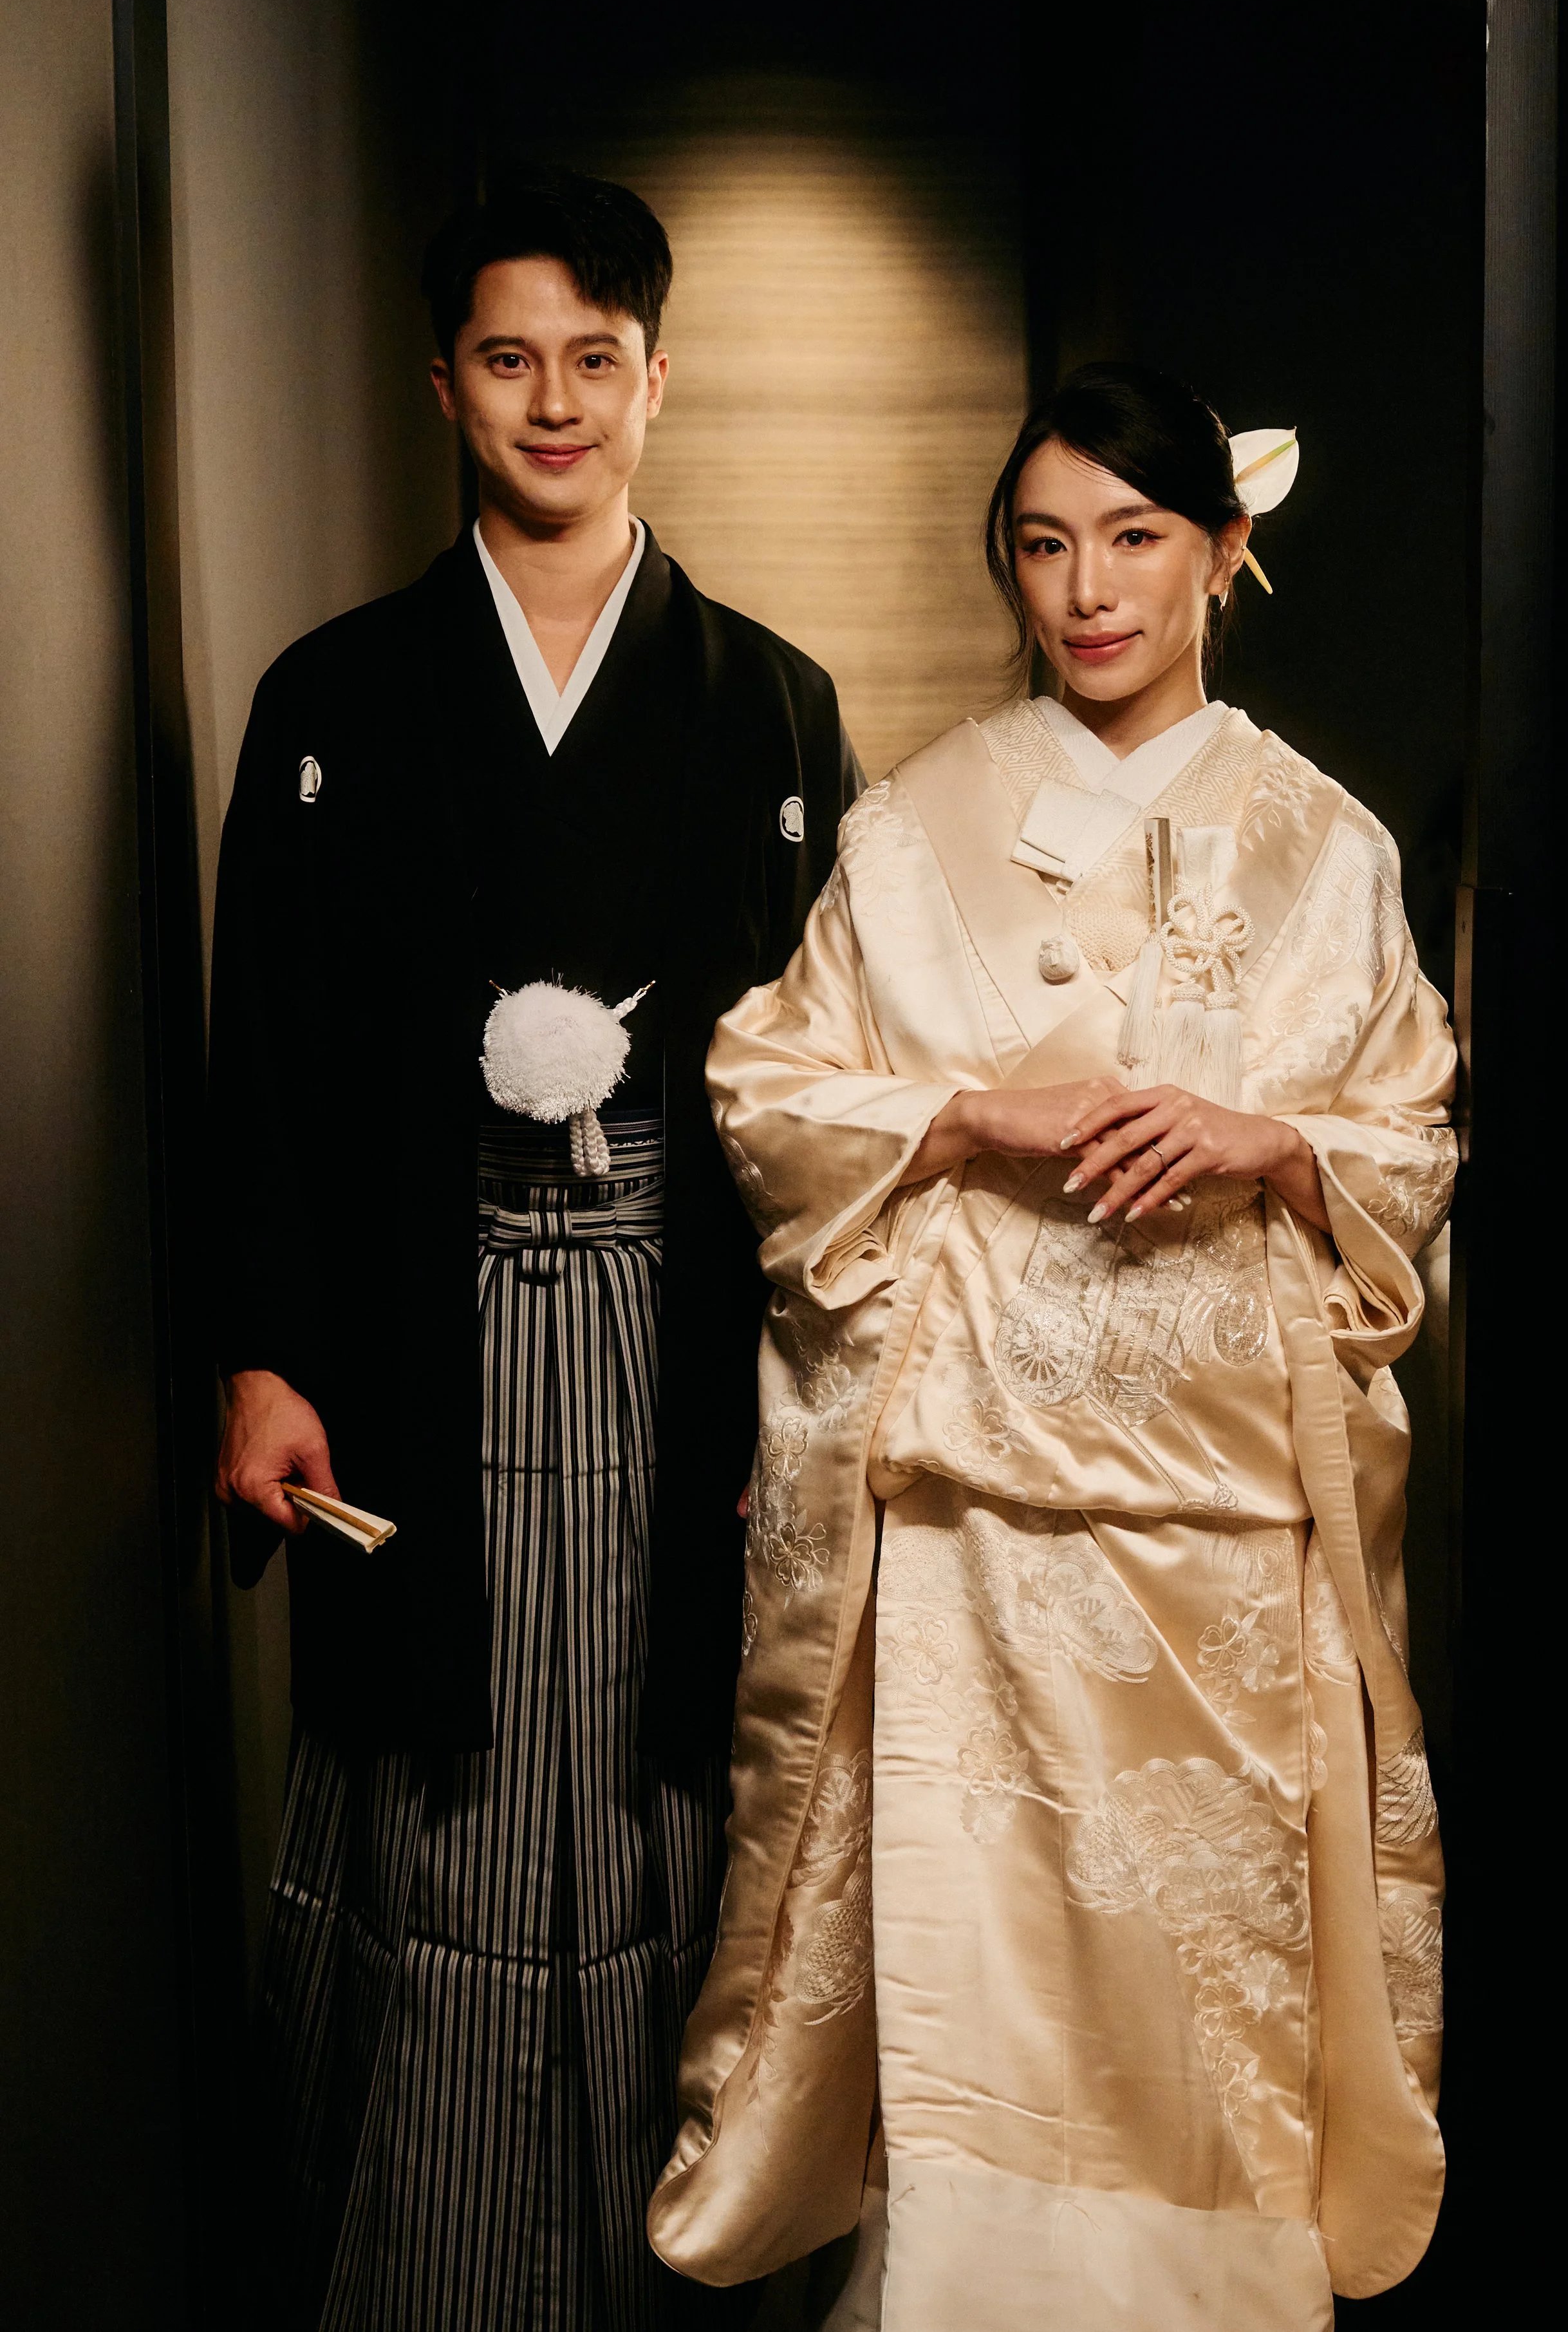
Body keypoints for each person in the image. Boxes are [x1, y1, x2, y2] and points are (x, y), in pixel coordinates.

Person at [648, 364, 1454, 2329]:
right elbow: (764, 1080)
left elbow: (1411, 1131)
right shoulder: (920, 817)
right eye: (1041, 544)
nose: (1086, 587)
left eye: (1133, 538)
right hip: (976, 1523)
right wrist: (959, 1113)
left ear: (1221, 555)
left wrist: (1275, 1144)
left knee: (1207, 1987)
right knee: (979, 1978)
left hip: (1218, 1515)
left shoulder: (1321, 846)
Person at [209, 167, 859, 2331]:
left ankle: (666, 2268)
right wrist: (267, 1354)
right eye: (510, 358)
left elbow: (820, 1091)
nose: (553, 400)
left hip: (677, 1339)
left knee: (662, 1780)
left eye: (596, 359)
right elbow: (268, 1061)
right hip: (419, 1329)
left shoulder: (764, 707)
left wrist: (801, 1388)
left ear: (658, 382)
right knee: (443, 1770)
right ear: (443, 384)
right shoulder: (332, 698)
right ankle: (438, 2267)